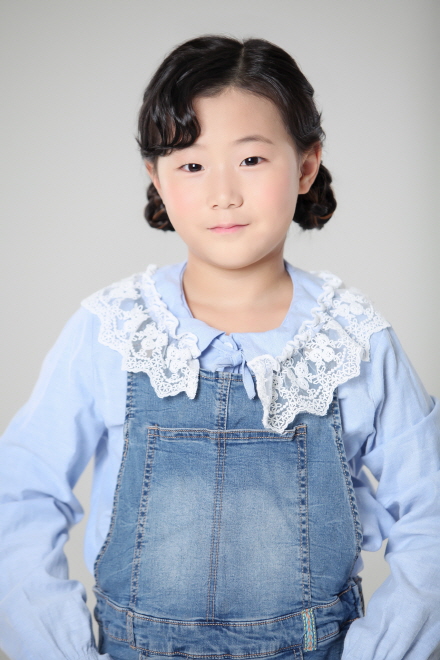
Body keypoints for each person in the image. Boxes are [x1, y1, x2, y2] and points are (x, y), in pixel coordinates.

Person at [0, 34, 439, 660]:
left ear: (306, 165)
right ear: (156, 178)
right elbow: (21, 492)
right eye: (191, 165)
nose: (223, 193)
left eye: (252, 159)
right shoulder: (114, 329)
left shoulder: (350, 338)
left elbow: (430, 510)